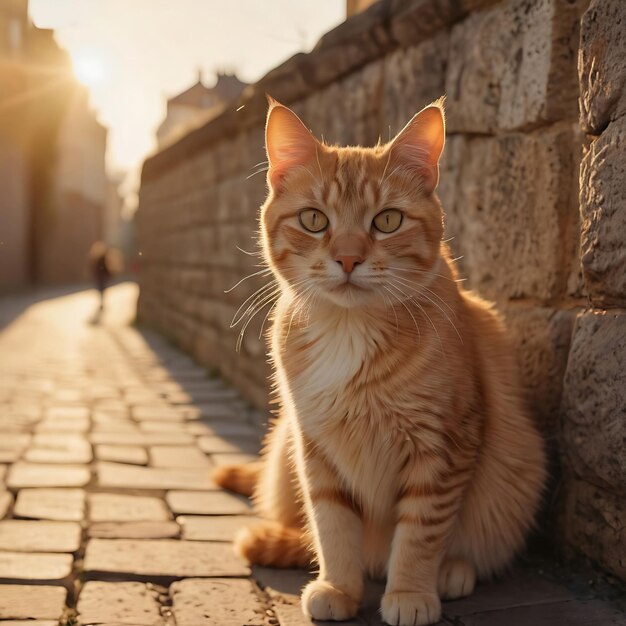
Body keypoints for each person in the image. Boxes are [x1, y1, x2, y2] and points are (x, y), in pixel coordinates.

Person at [89, 242, 111, 310]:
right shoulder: (99, 259)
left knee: (101, 290)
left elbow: (103, 268)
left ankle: (102, 303)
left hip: (101, 277)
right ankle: (102, 303)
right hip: (101, 277)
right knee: (101, 290)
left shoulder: (100, 258)